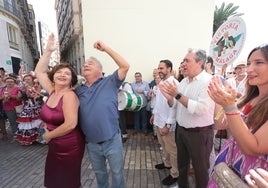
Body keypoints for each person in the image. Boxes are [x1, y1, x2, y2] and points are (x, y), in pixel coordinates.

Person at [207, 44, 268, 187]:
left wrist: (229, 106)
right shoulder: (250, 98)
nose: (249, 69)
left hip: (250, 176)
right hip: (227, 169)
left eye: (258, 62)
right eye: (248, 64)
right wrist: (220, 100)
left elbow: (253, 148)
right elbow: (220, 123)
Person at [75, 40, 130, 188]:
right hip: (92, 143)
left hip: (112, 139)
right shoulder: (78, 90)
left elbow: (125, 66)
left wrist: (106, 48)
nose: (86, 65)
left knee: (117, 174)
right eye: (85, 64)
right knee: (100, 175)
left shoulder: (110, 82)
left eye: (90, 64)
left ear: (100, 70)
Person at [35, 33, 85, 188]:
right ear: (53, 76)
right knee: (53, 180)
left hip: (69, 145)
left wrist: (48, 135)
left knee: (67, 182)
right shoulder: (52, 91)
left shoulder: (69, 96)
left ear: (72, 79)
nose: (63, 75)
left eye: (67, 74)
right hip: (55, 143)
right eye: (59, 72)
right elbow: (39, 72)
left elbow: (70, 124)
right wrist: (48, 51)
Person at [159, 49, 215, 188]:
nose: (183, 64)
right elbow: (176, 106)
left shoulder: (208, 81)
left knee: (200, 169)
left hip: (199, 134)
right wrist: (170, 99)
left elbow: (200, 109)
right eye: (183, 61)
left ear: (200, 62)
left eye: (187, 61)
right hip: (181, 131)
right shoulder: (184, 81)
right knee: (182, 165)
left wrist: (177, 95)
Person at [150, 59, 179, 186]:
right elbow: (159, 101)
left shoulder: (173, 83)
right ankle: (167, 164)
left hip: (167, 124)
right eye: (158, 68)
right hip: (158, 120)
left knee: (172, 150)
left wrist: (168, 125)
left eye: (162, 68)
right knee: (164, 147)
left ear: (169, 69)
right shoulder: (161, 82)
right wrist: (154, 115)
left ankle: (175, 174)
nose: (159, 70)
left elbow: (174, 106)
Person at [15, 74, 44, 145]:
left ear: (32, 80)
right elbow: (18, 98)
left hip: (36, 108)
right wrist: (23, 95)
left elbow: (39, 95)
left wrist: (35, 96)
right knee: (27, 124)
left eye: (28, 79)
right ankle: (29, 139)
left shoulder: (36, 86)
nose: (27, 81)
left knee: (38, 123)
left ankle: (39, 139)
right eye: (25, 79)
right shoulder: (22, 88)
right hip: (27, 108)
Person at [0, 75, 8, 141]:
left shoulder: (5, 86)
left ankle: (4, 134)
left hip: (3, 104)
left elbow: (5, 95)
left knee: (2, 120)